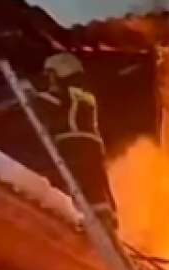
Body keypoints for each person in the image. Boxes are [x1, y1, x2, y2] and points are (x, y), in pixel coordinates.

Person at [35, 52, 119, 231]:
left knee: (78, 182)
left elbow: (50, 104)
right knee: (96, 182)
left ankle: (87, 220)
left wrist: (30, 94)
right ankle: (108, 218)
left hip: (73, 141)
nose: (50, 79)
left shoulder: (66, 90)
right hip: (92, 143)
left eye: (52, 74)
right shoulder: (84, 92)